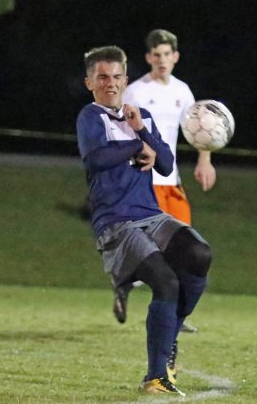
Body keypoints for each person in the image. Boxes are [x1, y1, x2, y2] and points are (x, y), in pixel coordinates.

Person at [77, 45, 212, 396]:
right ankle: (155, 377)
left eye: (117, 76)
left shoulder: (140, 115)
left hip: (150, 215)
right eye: (102, 77)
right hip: (116, 224)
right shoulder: (91, 117)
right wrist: (137, 146)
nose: (111, 83)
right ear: (89, 81)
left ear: (125, 79)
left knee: (199, 255)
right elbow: (96, 160)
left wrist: (144, 133)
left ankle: (168, 342)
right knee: (166, 283)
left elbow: (165, 163)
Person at [115, 29, 216, 333]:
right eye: (155, 55)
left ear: (176, 57)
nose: (161, 60)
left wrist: (204, 160)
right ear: (148, 58)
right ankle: (126, 285)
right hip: (143, 182)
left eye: (166, 54)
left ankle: (174, 310)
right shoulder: (134, 92)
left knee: (186, 249)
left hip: (171, 182)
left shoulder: (183, 92)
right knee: (149, 250)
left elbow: (202, 128)